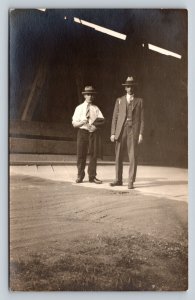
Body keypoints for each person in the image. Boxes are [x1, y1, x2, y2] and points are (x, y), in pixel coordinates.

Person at [110, 76, 144, 189]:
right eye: (128, 86)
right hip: (121, 130)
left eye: (132, 86)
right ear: (125, 88)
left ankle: (130, 181)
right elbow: (115, 117)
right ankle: (118, 179)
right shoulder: (119, 100)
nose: (130, 88)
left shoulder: (139, 101)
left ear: (134, 87)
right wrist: (113, 133)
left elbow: (142, 119)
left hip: (133, 131)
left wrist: (140, 133)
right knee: (118, 155)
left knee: (133, 156)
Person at [72, 85, 105, 184]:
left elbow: (102, 120)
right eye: (88, 94)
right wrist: (82, 122)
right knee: (81, 155)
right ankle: (80, 176)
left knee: (93, 155)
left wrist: (95, 126)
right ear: (84, 96)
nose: (90, 96)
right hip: (82, 132)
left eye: (91, 95)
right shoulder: (79, 108)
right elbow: (74, 124)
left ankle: (92, 176)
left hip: (92, 133)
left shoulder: (95, 108)